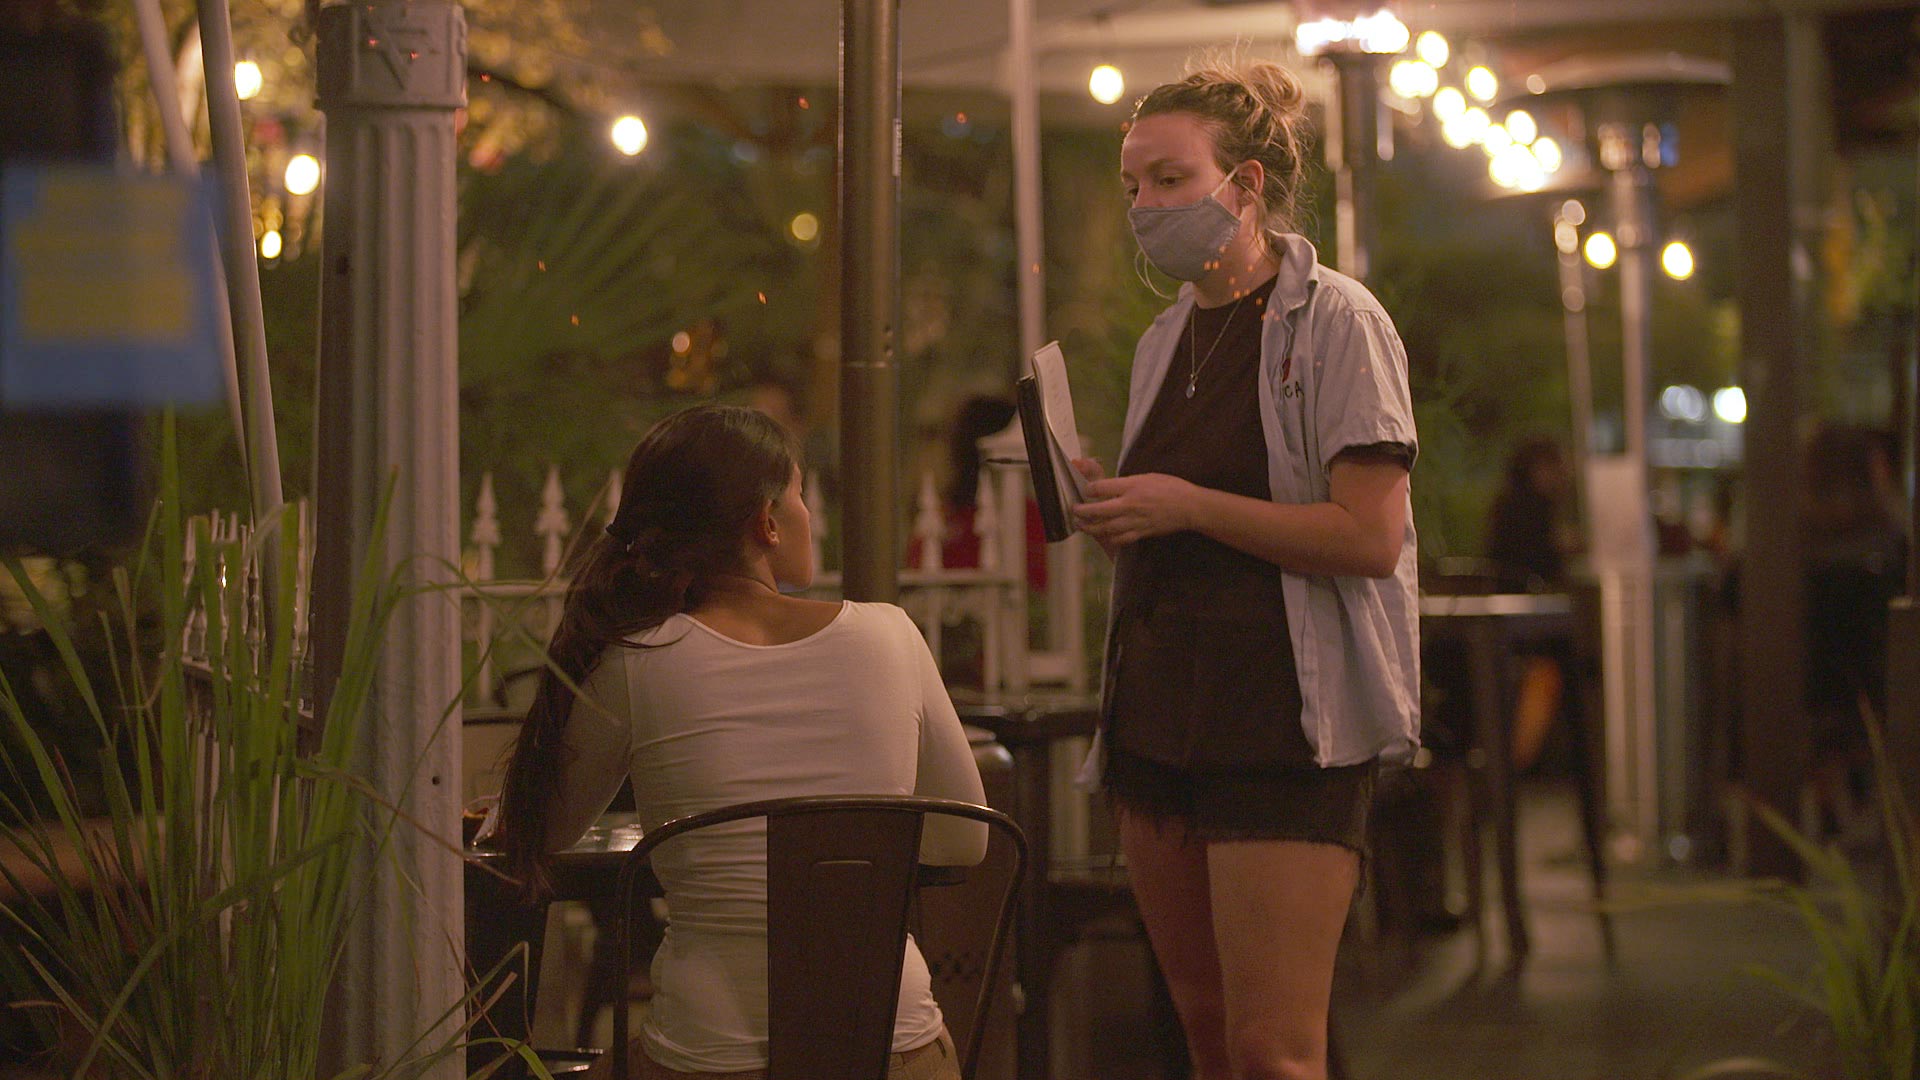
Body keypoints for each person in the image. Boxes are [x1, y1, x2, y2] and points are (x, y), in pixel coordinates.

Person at [1069, 58, 1420, 1080]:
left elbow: (1368, 537)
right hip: (1158, 711)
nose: (1146, 206)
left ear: (1248, 184)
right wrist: (1124, 512)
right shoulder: (1164, 340)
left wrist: (1186, 505)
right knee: (1206, 1033)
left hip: (1282, 722)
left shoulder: (1338, 321)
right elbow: (1186, 524)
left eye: (1171, 180)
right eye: (1133, 184)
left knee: (1274, 1050)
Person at [494, 405, 987, 1080]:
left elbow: (543, 831)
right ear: (768, 521)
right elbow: (968, 840)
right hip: (891, 1047)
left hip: (706, 1058)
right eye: (802, 495)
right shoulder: (891, 636)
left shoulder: (636, 662)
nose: (812, 515)